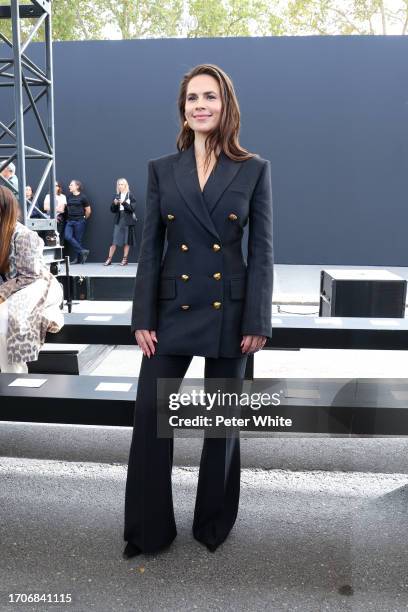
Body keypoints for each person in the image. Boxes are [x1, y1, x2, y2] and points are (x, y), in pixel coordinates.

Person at [123, 64, 273, 558]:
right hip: (170, 311)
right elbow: (150, 247)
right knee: (150, 418)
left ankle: (213, 524)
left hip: (230, 313)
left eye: (210, 96)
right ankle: (148, 531)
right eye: (192, 98)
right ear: (183, 110)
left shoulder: (253, 168)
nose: (200, 105)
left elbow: (262, 251)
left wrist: (257, 320)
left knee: (221, 424)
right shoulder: (161, 168)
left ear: (225, 105)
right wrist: (142, 316)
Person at [0, 186, 64, 373]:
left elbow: (30, 275)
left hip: (39, 286)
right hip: (14, 290)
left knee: (7, 317)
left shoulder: (23, 235)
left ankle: (15, 379)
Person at [104, 178, 138, 266]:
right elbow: (112, 210)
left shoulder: (130, 195)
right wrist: (114, 204)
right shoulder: (116, 195)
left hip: (128, 220)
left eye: (122, 184)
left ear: (125, 185)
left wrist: (123, 203)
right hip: (119, 220)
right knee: (114, 241)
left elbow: (132, 209)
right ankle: (109, 259)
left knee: (127, 241)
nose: (120, 186)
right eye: (119, 184)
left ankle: (125, 259)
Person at [64, 180, 91, 264]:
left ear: (77, 186)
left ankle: (77, 259)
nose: (69, 186)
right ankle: (83, 251)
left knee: (78, 240)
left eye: (71, 185)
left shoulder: (83, 197)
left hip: (80, 221)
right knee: (67, 236)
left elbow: (88, 210)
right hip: (70, 221)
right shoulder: (69, 197)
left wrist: (83, 218)